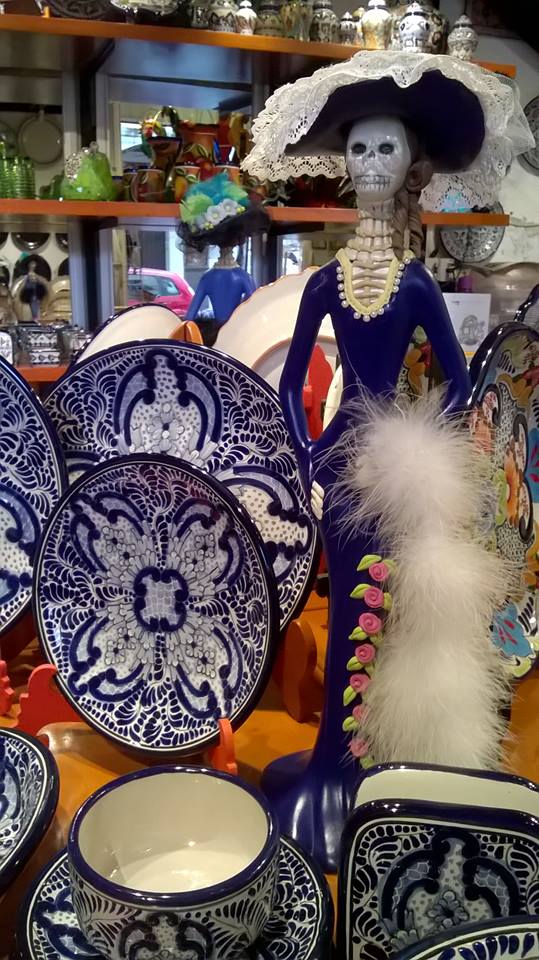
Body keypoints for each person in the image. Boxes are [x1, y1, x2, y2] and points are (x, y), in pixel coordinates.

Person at [243, 50, 533, 871]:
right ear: (344, 164)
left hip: (387, 471)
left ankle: (354, 761)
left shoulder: (412, 286)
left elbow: (458, 383)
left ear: (411, 165)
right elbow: (293, 380)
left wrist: (418, 444)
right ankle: (330, 764)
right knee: (341, 602)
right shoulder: (323, 284)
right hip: (339, 464)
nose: (371, 163)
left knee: (371, 608)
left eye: (386, 148)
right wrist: (307, 447)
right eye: (359, 148)